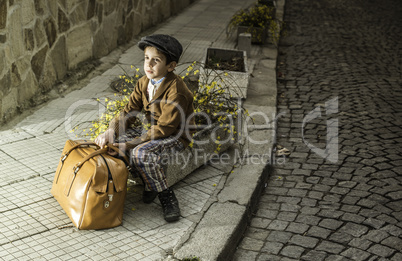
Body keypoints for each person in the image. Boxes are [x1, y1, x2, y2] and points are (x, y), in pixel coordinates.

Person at [94, 34, 195, 222]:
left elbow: (164, 129)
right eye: (146, 58)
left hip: (175, 135)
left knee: (140, 153)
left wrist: (131, 144)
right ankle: (146, 182)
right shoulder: (144, 83)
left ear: (171, 66)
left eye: (156, 60)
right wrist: (111, 130)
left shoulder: (176, 90)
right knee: (113, 143)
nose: (149, 65)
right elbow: (129, 111)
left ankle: (166, 196)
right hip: (154, 131)